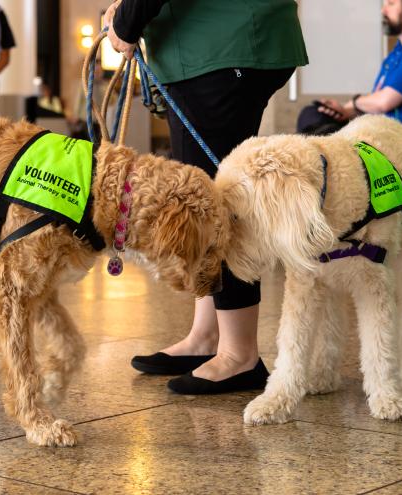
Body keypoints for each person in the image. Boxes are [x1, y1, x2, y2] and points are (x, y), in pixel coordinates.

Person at [105, 0, 308, 394]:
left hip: (218, 49)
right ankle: (207, 335)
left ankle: (240, 354)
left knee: (215, 207)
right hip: (219, 46)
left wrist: (128, 22)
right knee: (207, 199)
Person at [314, 0, 402, 165]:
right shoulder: (401, 50)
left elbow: (384, 102)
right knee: (315, 116)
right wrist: (345, 111)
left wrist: (352, 104)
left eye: (391, 4)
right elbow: (378, 98)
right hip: (390, 132)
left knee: (322, 140)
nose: (383, 10)